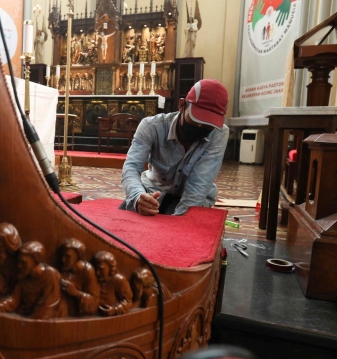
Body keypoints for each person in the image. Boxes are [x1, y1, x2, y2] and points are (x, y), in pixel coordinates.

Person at [120, 79, 229, 216]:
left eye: (208, 125)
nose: (200, 128)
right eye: (196, 119)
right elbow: (131, 168)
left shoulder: (219, 134)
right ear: (182, 105)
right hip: (153, 190)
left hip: (192, 197)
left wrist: (178, 223)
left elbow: (199, 186)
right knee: (125, 220)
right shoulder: (151, 127)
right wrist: (137, 197)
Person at [0, 241, 67, 319]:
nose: (19, 266)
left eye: (23, 262)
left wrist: (29, 323)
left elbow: (47, 306)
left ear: (36, 261)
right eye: (19, 262)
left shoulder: (50, 275)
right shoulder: (24, 278)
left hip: (44, 323)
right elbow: (13, 300)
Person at [58, 238, 100, 316]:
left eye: (68, 256)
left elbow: (94, 303)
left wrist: (76, 293)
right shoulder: (62, 270)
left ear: (77, 257)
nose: (63, 259)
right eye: (62, 255)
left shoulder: (87, 271)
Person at [94, 251, 132, 316]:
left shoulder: (119, 280)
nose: (97, 273)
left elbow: (128, 301)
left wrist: (115, 310)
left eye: (101, 269)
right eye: (96, 269)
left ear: (110, 268)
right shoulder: (94, 277)